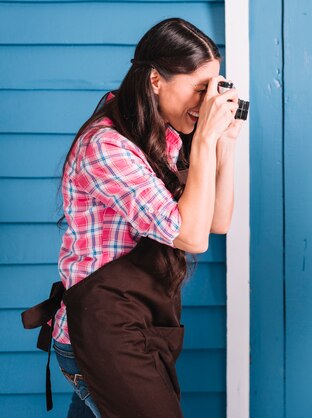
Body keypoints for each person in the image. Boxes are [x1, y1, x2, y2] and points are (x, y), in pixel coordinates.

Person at [23, 18, 242, 417]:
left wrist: (223, 143)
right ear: (156, 80)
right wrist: (206, 139)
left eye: (211, 88)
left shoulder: (166, 136)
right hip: (100, 328)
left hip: (139, 319)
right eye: (199, 88)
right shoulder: (107, 146)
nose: (205, 101)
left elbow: (217, 222)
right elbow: (192, 238)